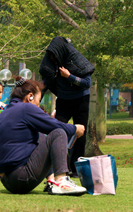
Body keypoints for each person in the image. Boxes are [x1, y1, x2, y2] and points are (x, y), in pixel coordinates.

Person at [0, 76, 86, 196]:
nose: (38, 104)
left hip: (7, 182)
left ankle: (52, 179)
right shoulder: (27, 108)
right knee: (58, 132)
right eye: (39, 100)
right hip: (22, 177)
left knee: (42, 134)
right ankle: (61, 181)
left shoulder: (1, 116)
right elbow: (55, 125)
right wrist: (75, 129)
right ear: (30, 96)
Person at [39, 37, 94, 174]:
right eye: (50, 55)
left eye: (54, 55)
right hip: (63, 99)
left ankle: (76, 169)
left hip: (81, 99)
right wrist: (34, 98)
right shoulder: (51, 63)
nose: (52, 58)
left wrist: (69, 76)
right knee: (58, 132)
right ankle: (63, 166)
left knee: (80, 134)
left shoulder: (76, 59)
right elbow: (45, 83)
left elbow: (87, 83)